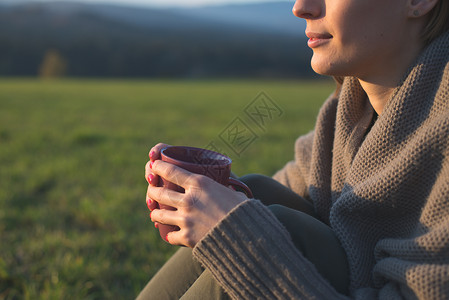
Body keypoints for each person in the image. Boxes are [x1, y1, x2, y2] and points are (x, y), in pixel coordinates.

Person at [139, 0, 449, 298]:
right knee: (256, 194)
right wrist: (204, 196)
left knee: (247, 231)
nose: (301, 8)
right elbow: (282, 197)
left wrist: (235, 240)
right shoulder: (347, 112)